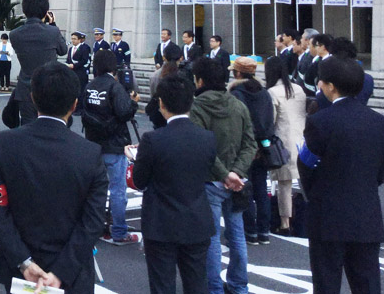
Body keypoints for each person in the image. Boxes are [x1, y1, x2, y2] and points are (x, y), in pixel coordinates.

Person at [0, 61, 107, 293]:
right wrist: (61, 271)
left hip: (20, 270)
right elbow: (92, 221)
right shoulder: (90, 153)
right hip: (72, 274)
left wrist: (24, 261)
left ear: (33, 98)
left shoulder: (7, 143)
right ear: (74, 104)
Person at [298, 56, 384, 294]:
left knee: (326, 283)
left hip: (327, 215)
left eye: (321, 82)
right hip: (367, 214)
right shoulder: (378, 122)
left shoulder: (320, 121)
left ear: (331, 86)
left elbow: (306, 164)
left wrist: (316, 193)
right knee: (367, 284)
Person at [129, 75, 217, 294]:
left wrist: (134, 159)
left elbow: (139, 181)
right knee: (197, 283)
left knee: (162, 285)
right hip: (196, 219)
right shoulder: (207, 138)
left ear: (161, 103)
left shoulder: (152, 140)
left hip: (161, 223)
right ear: (191, 102)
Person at [189, 58, 256, 294]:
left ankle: (214, 287)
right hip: (238, 182)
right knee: (237, 236)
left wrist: (224, 173)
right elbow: (250, 144)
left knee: (212, 237)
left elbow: (201, 147)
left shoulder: (197, 107)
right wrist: (236, 172)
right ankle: (239, 285)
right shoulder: (238, 105)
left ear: (200, 80)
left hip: (210, 180)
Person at [81, 50, 139, 246]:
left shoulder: (89, 87)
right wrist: (133, 103)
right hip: (114, 145)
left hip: (93, 144)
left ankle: (95, 226)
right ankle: (119, 230)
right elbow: (124, 113)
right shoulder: (115, 87)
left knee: (95, 189)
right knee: (117, 190)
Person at [227, 56, 274, 246]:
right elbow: (270, 119)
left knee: (243, 188)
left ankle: (250, 231)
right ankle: (264, 231)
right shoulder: (264, 93)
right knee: (261, 189)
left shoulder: (236, 93)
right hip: (263, 146)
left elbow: (237, 122)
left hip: (244, 147)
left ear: (238, 73)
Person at [8, 0, 67, 126]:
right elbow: (63, 50)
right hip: (49, 87)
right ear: (46, 12)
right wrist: (52, 24)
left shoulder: (14, 34)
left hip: (25, 88)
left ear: (24, 10)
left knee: (27, 127)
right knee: (51, 127)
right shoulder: (52, 32)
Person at [263, 55, 305, 236]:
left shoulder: (272, 92)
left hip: (282, 143)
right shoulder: (298, 89)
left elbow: (270, 120)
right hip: (302, 141)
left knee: (284, 184)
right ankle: (308, 217)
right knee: (305, 182)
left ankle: (285, 223)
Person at [293, 28, 320, 96]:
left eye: (302, 38)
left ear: (308, 41)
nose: (300, 40)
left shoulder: (312, 57)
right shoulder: (306, 54)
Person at [66, 31, 90, 102]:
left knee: (81, 90)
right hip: (72, 73)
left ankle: (80, 108)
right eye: (72, 39)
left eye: (74, 39)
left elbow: (84, 60)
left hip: (80, 72)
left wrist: (74, 65)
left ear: (79, 40)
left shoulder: (84, 48)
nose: (73, 40)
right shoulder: (71, 49)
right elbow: (68, 59)